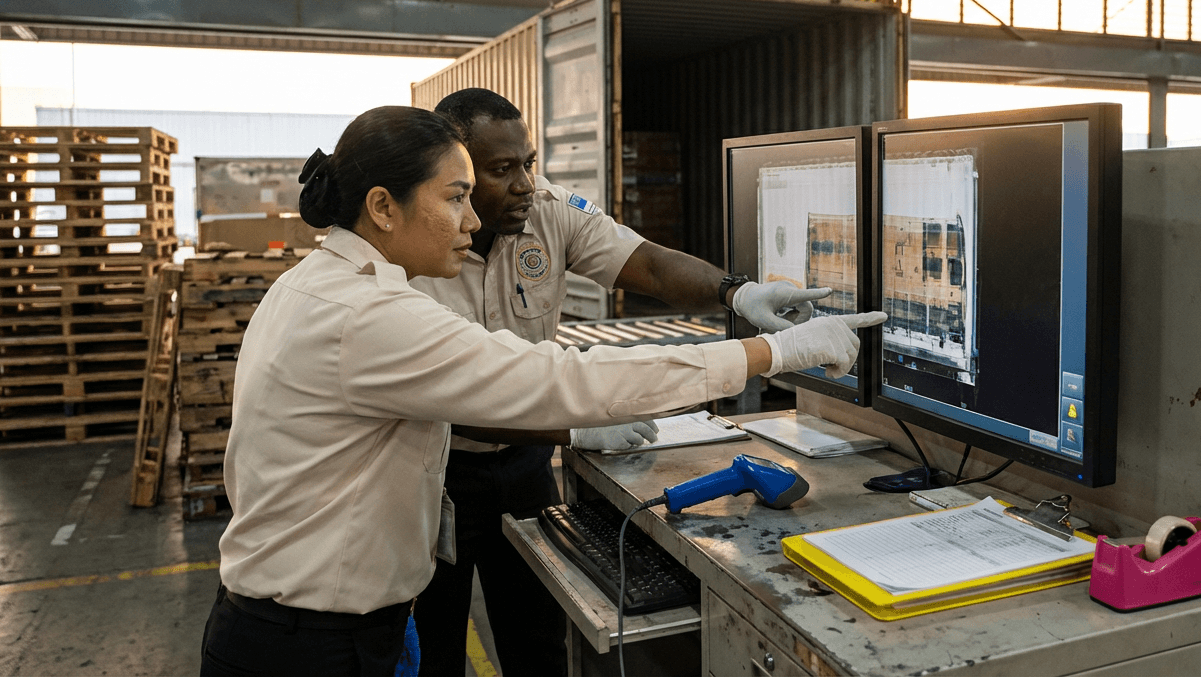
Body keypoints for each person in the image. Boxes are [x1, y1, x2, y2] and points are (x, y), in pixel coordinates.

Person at [198, 104, 883, 676]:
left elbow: (638, 265)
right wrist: (772, 353)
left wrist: (737, 293)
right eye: (456, 197)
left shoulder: (320, 284)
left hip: (315, 623)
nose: (471, 220)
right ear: (382, 206)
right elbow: (557, 380)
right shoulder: (367, 316)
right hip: (312, 645)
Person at [409, 88, 838, 676]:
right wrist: (572, 432)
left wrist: (737, 293)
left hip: (525, 467)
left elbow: (651, 265)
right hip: (439, 470)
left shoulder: (550, 211)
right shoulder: (412, 247)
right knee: (432, 643)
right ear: (455, 172)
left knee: (539, 639)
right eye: (501, 169)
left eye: (528, 162)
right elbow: (446, 400)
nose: (525, 184)